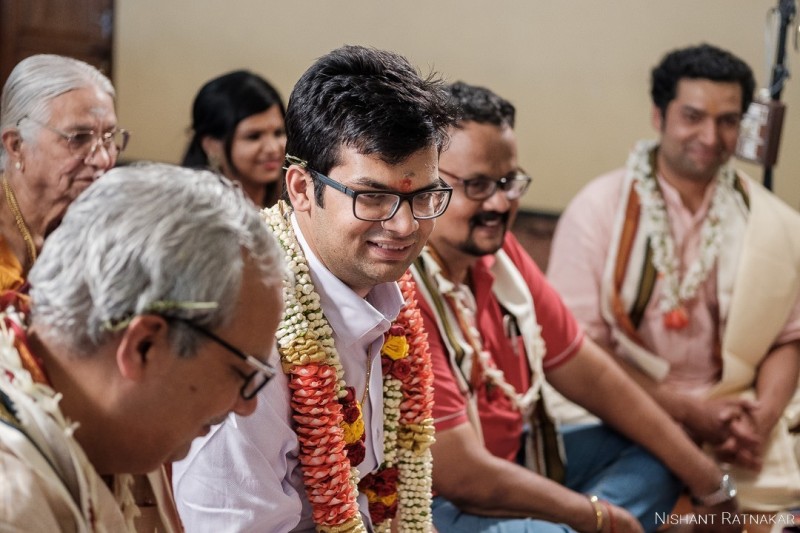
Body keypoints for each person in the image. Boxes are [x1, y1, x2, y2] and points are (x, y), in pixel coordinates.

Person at [409, 81, 742, 533]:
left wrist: (712, 486)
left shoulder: (500, 257)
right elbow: (462, 475)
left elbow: (591, 373)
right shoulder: (405, 285)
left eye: (509, 182)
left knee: (658, 458)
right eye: (478, 185)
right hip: (431, 504)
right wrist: (598, 517)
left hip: (517, 459)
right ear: (427, 183)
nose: (501, 202)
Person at [173, 45, 455, 532]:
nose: (405, 225)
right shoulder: (245, 329)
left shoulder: (391, 297)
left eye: (424, 196)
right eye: (374, 197)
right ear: (302, 188)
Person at [547, 43, 800, 513]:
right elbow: (578, 349)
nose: (711, 135)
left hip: (734, 407)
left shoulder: (775, 224)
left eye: (728, 120)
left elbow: (789, 337)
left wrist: (761, 421)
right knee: (630, 476)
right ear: (659, 117)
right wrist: (686, 412)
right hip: (619, 402)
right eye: (693, 116)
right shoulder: (597, 210)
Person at [0, 163, 285, 531]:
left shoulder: (119, 433)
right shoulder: (12, 502)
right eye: (242, 374)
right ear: (144, 345)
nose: (248, 406)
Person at [0, 54, 126, 291]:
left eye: (109, 138)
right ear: (16, 145)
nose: (103, 159)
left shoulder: (103, 226)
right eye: (78, 138)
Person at [182, 70, 286, 207]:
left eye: (278, 133)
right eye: (254, 136)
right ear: (211, 145)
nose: (272, 148)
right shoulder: (195, 216)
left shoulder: (299, 200)